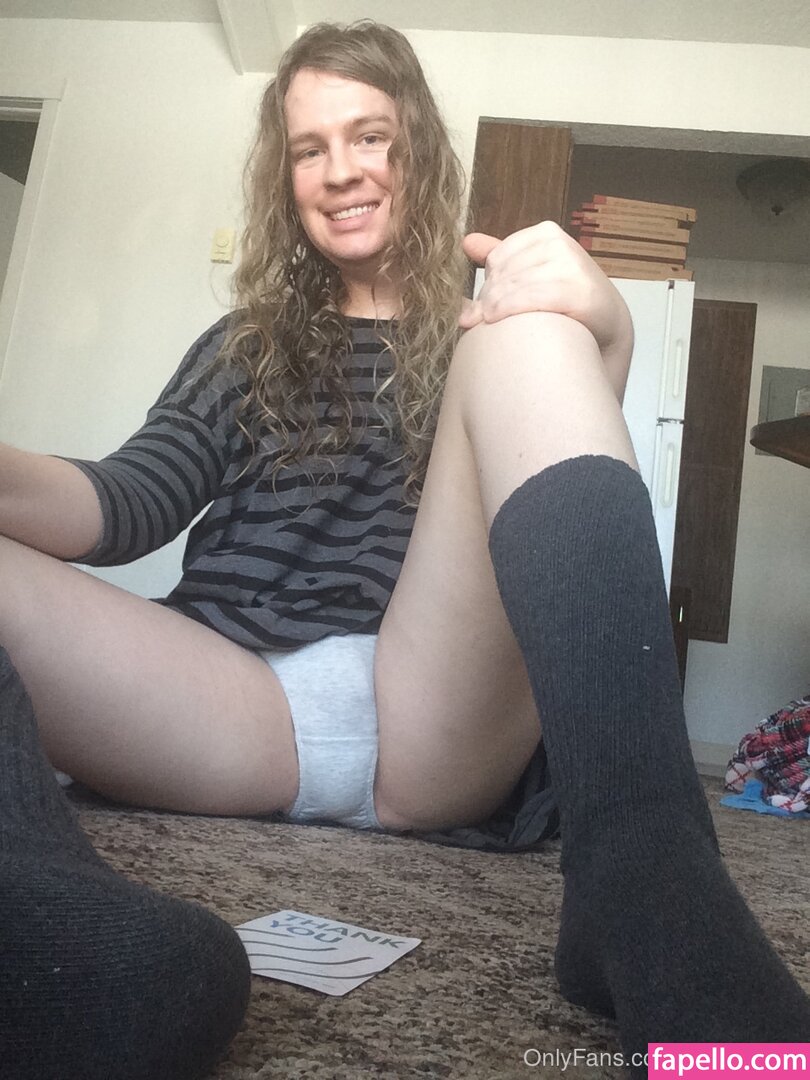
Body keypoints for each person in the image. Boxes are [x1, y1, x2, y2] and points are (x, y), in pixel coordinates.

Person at [0, 19, 807, 1080]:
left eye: (369, 136)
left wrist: (606, 332)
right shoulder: (239, 346)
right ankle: (29, 909)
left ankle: (651, 884)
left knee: (522, 327)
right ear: (285, 178)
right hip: (231, 701)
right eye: (310, 148)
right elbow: (122, 504)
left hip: (429, 719)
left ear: (416, 148)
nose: (341, 170)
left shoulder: (478, 331)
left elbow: (553, 467)